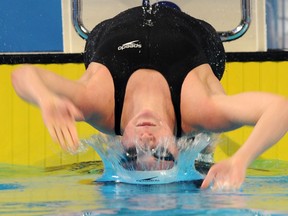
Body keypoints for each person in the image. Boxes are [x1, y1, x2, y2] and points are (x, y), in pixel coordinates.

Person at [11, 4, 288, 191]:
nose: (146, 141)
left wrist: (45, 99)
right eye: (161, 152)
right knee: (212, 121)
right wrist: (241, 160)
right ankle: (206, 150)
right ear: (179, 149)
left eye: (133, 153)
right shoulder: (198, 109)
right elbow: (280, 108)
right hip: (196, 35)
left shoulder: (99, 106)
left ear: (119, 145)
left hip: (110, 30)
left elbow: (23, 75)